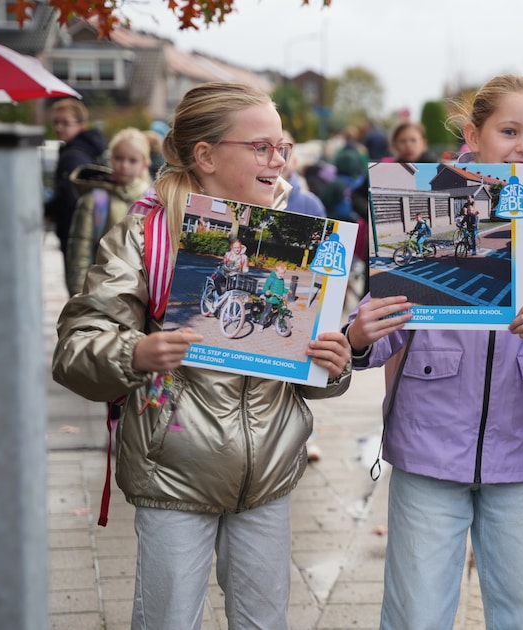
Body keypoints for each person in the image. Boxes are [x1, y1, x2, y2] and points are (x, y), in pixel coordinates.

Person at [51, 81, 353, 630]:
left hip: (268, 476)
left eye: (281, 147)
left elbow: (306, 372)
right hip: (173, 474)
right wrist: (136, 351)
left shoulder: (300, 239)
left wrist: (336, 360)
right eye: (260, 147)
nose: (278, 159)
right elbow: (75, 348)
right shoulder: (145, 234)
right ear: (206, 156)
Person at [343, 73, 523, 629]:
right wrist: (358, 336)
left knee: (520, 614)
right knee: (418, 614)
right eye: (509, 130)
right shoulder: (425, 205)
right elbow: (384, 319)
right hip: (427, 445)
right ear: (473, 133)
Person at [65, 127, 153, 296]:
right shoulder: (94, 199)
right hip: (102, 293)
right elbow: (79, 253)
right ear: (110, 158)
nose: (124, 165)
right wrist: (79, 296)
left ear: (145, 163)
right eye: (119, 158)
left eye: (132, 160)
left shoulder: (153, 199)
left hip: (141, 295)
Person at [45, 98, 108, 269]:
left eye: (65, 123)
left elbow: (68, 193)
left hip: (73, 226)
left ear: (81, 124)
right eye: (56, 122)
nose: (58, 127)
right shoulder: (87, 149)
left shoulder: (73, 156)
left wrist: (49, 210)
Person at [280, 129, 326, 218]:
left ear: (295, 162)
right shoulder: (248, 197)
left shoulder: (311, 206)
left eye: (284, 153)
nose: (277, 160)